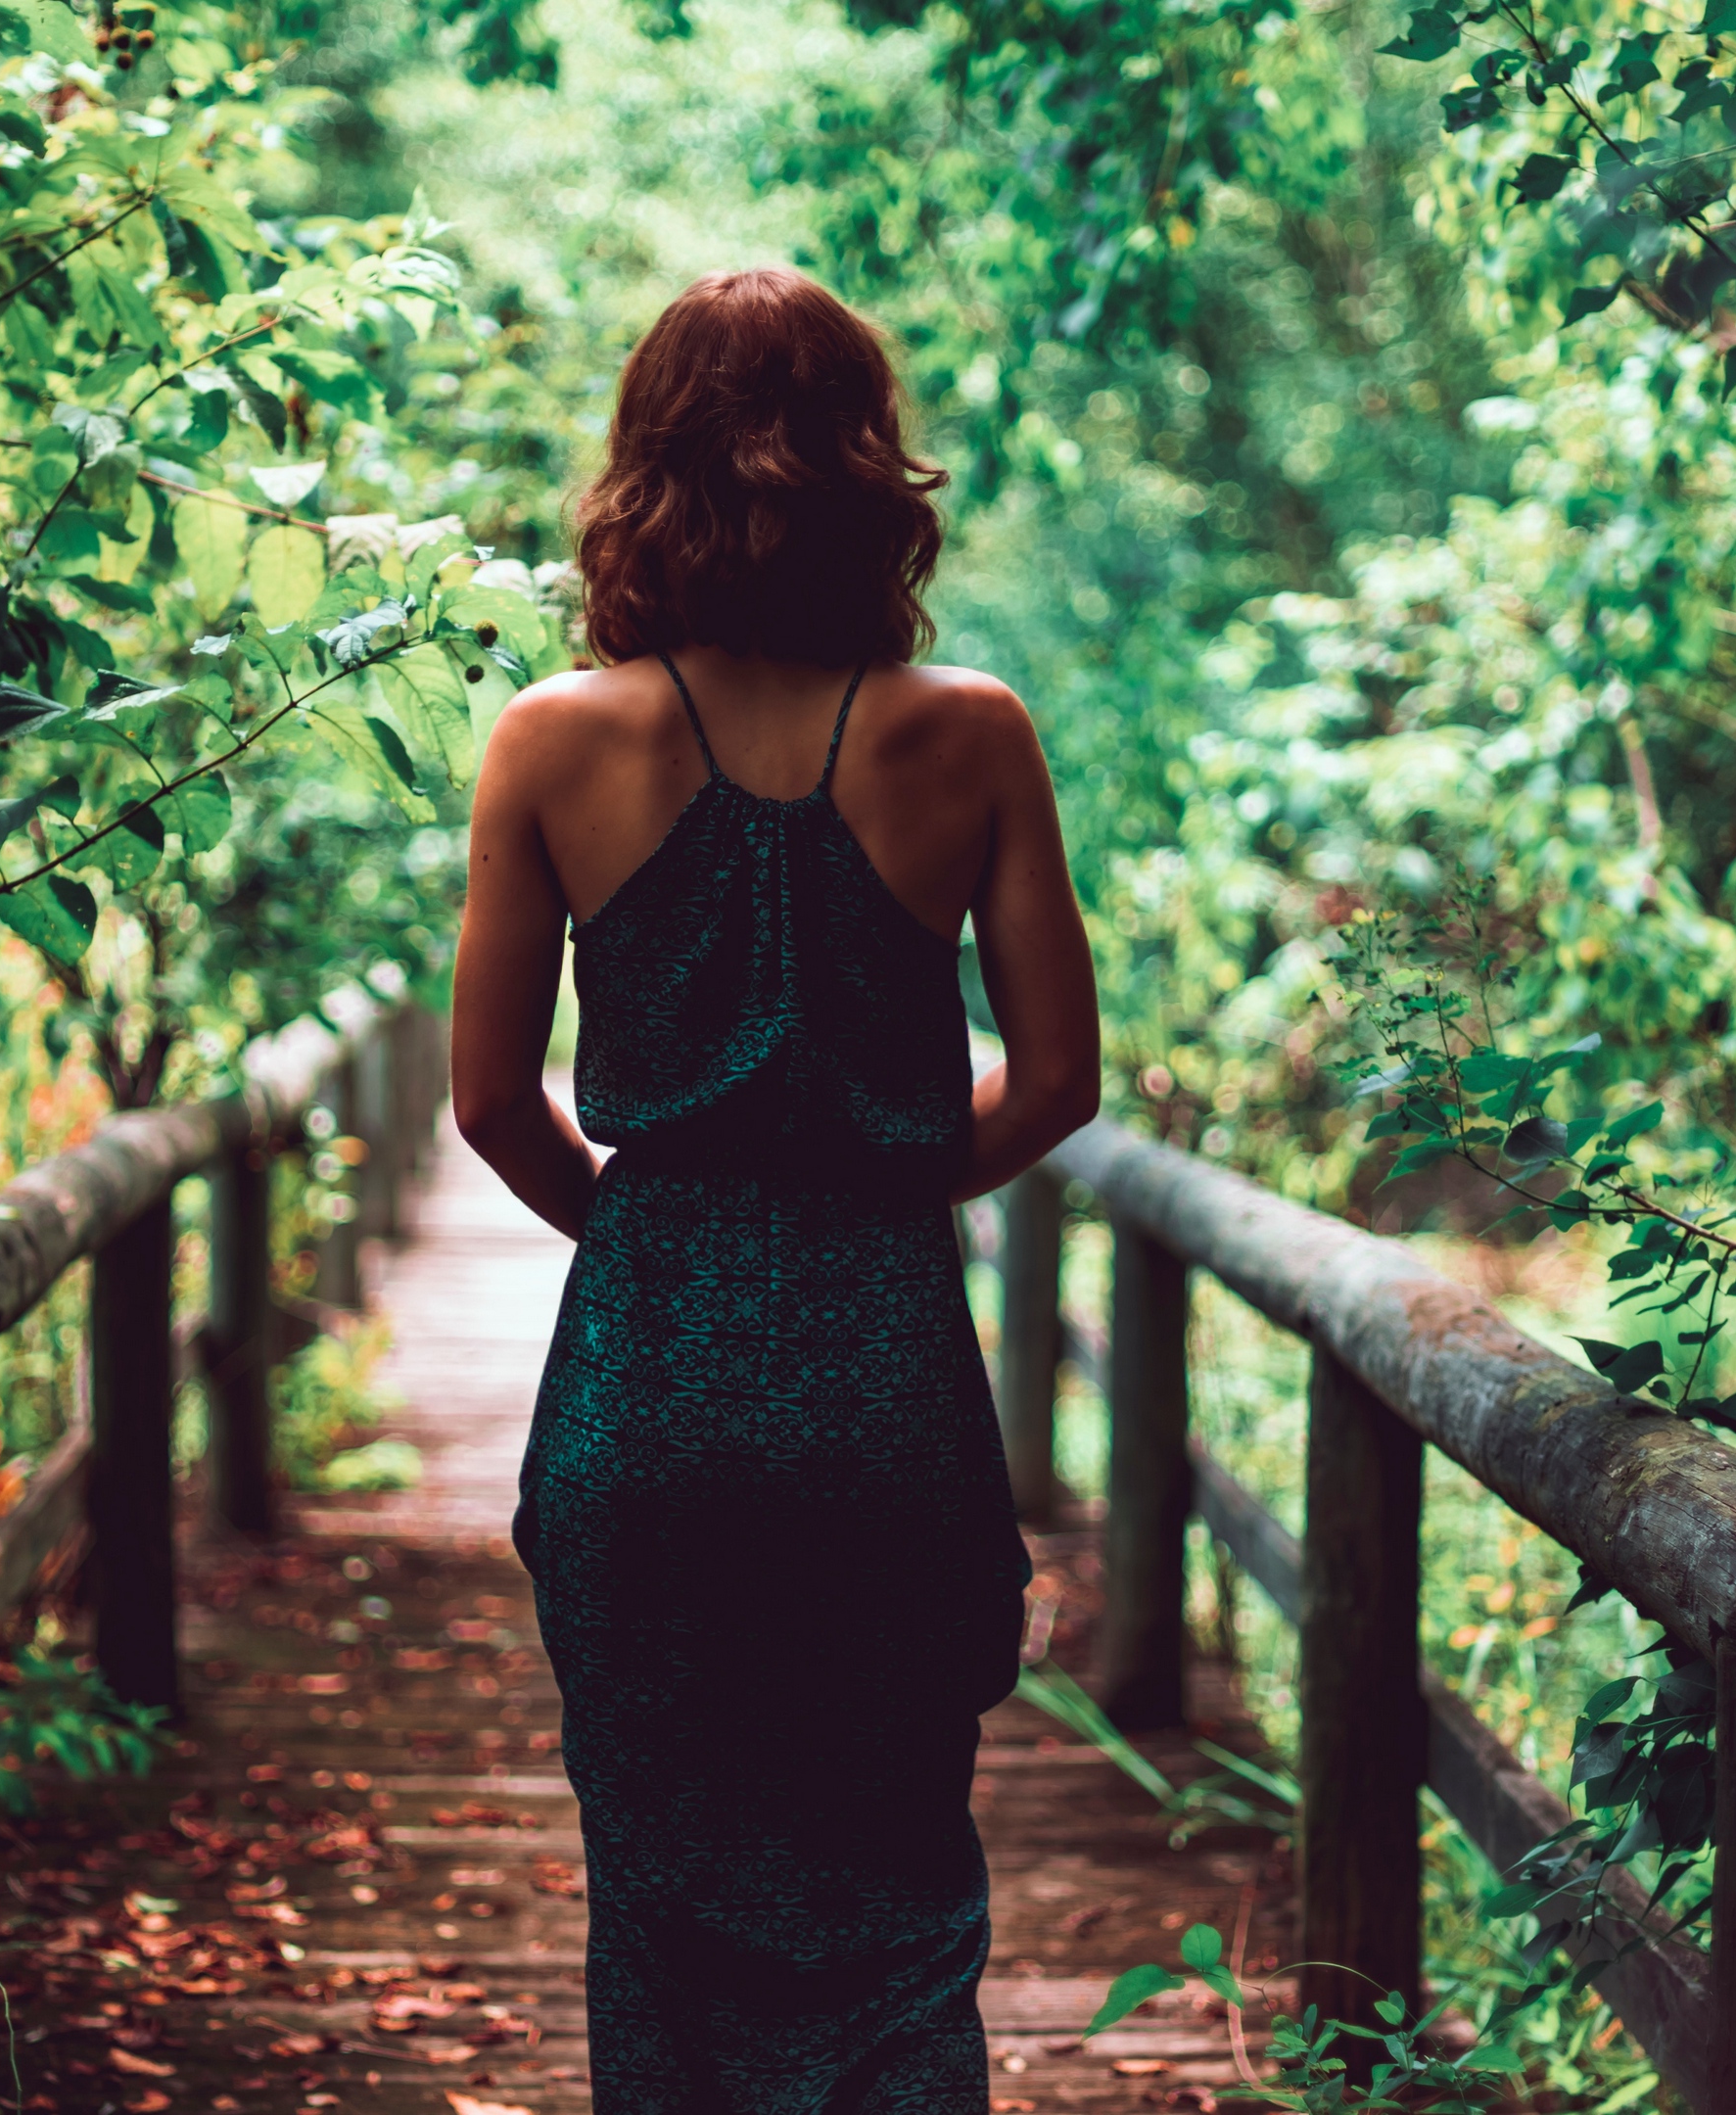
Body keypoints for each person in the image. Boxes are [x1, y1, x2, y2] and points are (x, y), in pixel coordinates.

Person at [448, 265, 1103, 2112]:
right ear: (867, 469)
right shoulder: (967, 731)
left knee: (659, 1900)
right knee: (897, 1892)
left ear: (641, 467)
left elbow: (493, 1098)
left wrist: (660, 1231)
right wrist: (874, 1195)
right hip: (887, 1356)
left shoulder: (554, 738)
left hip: (645, 1373)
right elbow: (1059, 1080)